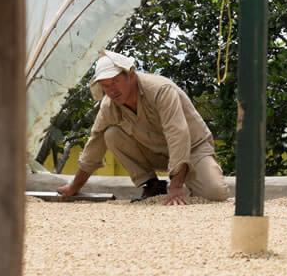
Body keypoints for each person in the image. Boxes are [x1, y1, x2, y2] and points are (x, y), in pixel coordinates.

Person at [56, 49, 229, 205]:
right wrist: (74, 187)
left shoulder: (161, 91)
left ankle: (190, 185)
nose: (112, 90)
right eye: (106, 86)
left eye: (115, 81)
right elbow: (94, 146)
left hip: (193, 148)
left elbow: (178, 135)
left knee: (214, 193)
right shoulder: (109, 106)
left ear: (131, 75)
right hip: (156, 152)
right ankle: (152, 185)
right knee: (111, 134)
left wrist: (176, 188)